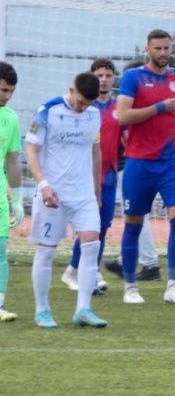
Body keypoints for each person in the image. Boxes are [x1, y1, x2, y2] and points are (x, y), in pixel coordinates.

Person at [26, 72, 107, 328]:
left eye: (88, 104)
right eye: (80, 102)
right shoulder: (47, 111)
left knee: (91, 245)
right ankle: (42, 311)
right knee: (47, 250)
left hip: (83, 195)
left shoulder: (94, 114)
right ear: (71, 90)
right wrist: (43, 185)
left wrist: (96, 189)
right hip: (53, 195)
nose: (83, 108)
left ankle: (83, 309)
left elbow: (95, 151)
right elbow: (31, 150)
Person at [117, 29, 175, 304]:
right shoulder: (133, 77)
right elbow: (124, 115)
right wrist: (159, 107)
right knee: (133, 224)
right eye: (158, 48)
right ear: (148, 50)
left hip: (170, 163)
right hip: (139, 163)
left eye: (166, 48)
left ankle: (172, 287)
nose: (163, 53)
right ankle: (130, 287)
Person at [60, 58, 121, 295]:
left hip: (109, 177)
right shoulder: (83, 107)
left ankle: (87, 273)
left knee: (102, 228)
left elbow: (127, 138)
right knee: (87, 228)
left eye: (108, 75)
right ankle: (78, 272)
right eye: (99, 76)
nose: (103, 80)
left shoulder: (119, 108)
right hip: (83, 177)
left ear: (113, 79)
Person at [103, 59, 161, 283]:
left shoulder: (129, 107)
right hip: (132, 165)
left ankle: (150, 264)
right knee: (135, 214)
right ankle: (125, 260)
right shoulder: (137, 104)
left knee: (136, 214)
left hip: (127, 166)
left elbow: (128, 137)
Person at [0, 62, 23, 322]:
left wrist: (17, 198)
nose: (7, 96)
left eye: (11, 92)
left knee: (1, 249)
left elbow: (12, 161)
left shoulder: (11, 118)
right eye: (3, 90)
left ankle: (0, 305)